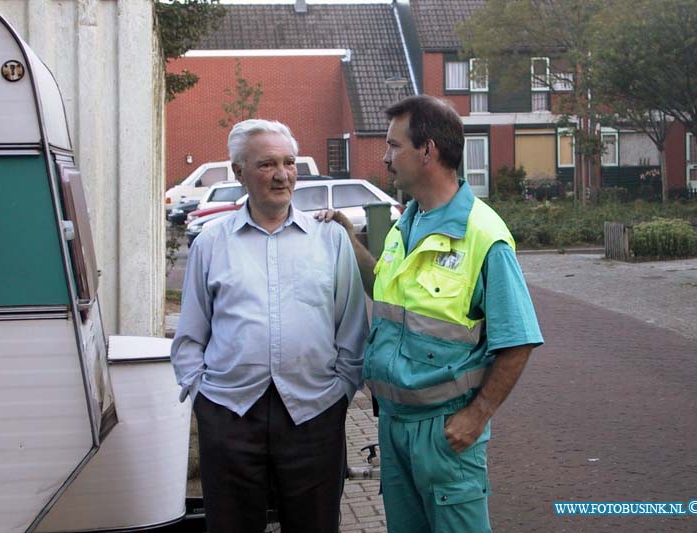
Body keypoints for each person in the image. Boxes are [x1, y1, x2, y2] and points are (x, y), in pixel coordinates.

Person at [319, 95, 543, 532]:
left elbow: (518, 340)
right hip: (394, 428)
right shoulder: (409, 222)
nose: (385, 158)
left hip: (445, 433)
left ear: (428, 151)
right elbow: (384, 290)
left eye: (394, 146)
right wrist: (349, 239)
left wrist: (476, 417)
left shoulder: (483, 235)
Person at [170, 119, 368, 533]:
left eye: (289, 163)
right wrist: (202, 396)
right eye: (267, 165)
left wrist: (340, 394)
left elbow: (351, 327)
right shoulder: (211, 243)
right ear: (239, 172)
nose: (282, 175)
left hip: (314, 412)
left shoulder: (329, 240)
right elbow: (190, 334)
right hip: (230, 412)